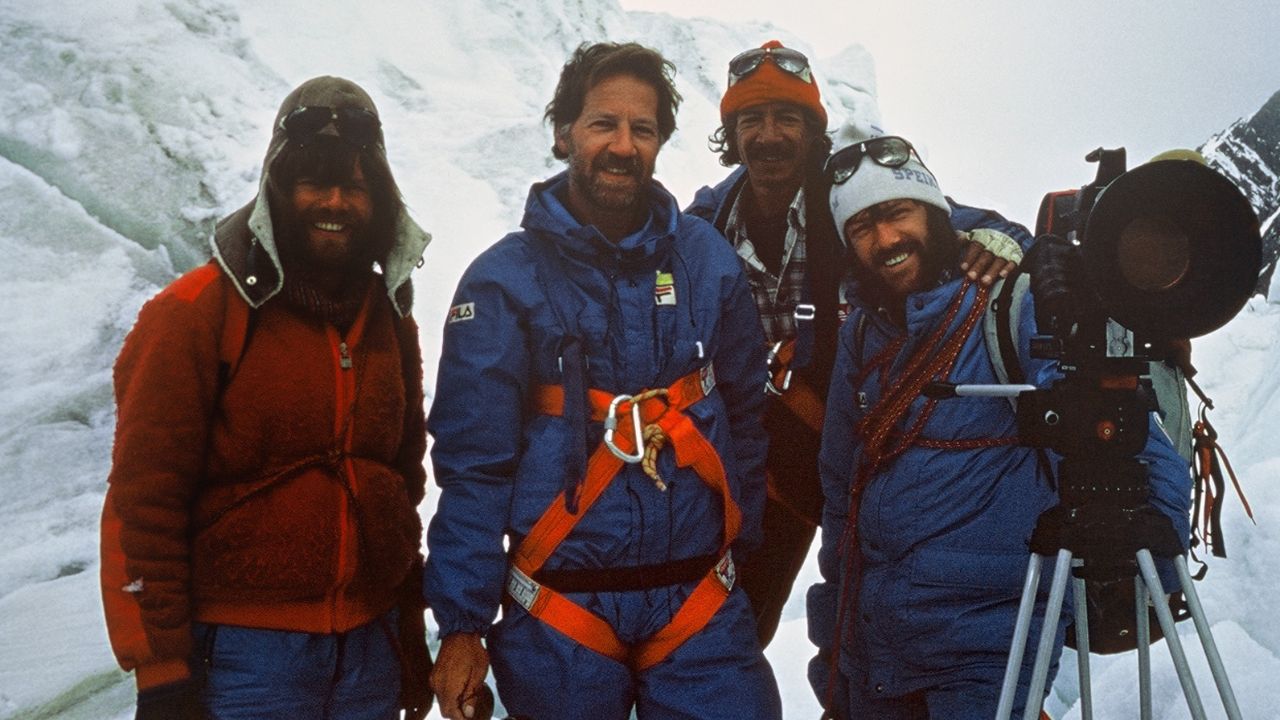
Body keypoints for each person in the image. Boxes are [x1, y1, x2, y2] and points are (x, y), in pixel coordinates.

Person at [425, 42, 781, 720]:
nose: (623, 145)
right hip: (559, 616)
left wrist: (748, 565)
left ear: (659, 143)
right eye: (602, 124)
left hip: (700, 610)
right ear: (564, 134)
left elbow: (746, 423)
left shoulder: (708, 264)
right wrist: (462, 625)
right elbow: (474, 469)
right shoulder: (504, 281)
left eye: (641, 129)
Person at [806, 120, 1193, 719]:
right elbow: (841, 494)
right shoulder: (862, 334)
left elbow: (1133, 445)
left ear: (938, 212)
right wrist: (834, 647)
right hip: (872, 658)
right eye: (862, 226)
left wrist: (1151, 576)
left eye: (900, 212)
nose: (886, 238)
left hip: (990, 655)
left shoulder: (1015, 306)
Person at [100, 76, 433, 720]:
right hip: (243, 661)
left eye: (355, 186)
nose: (334, 201)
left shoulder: (389, 321)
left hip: (369, 654)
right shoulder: (196, 313)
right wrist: (163, 672)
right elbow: (144, 501)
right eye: (313, 181)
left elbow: (399, 486)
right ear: (276, 190)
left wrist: (406, 638)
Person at [686, 39, 1032, 647]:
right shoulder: (707, 226)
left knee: (888, 633)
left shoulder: (857, 198)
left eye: (787, 118)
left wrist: (1007, 243)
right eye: (752, 120)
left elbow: (958, 225)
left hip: (872, 452)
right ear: (731, 133)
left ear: (813, 128)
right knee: (725, 636)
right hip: (774, 469)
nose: (769, 135)